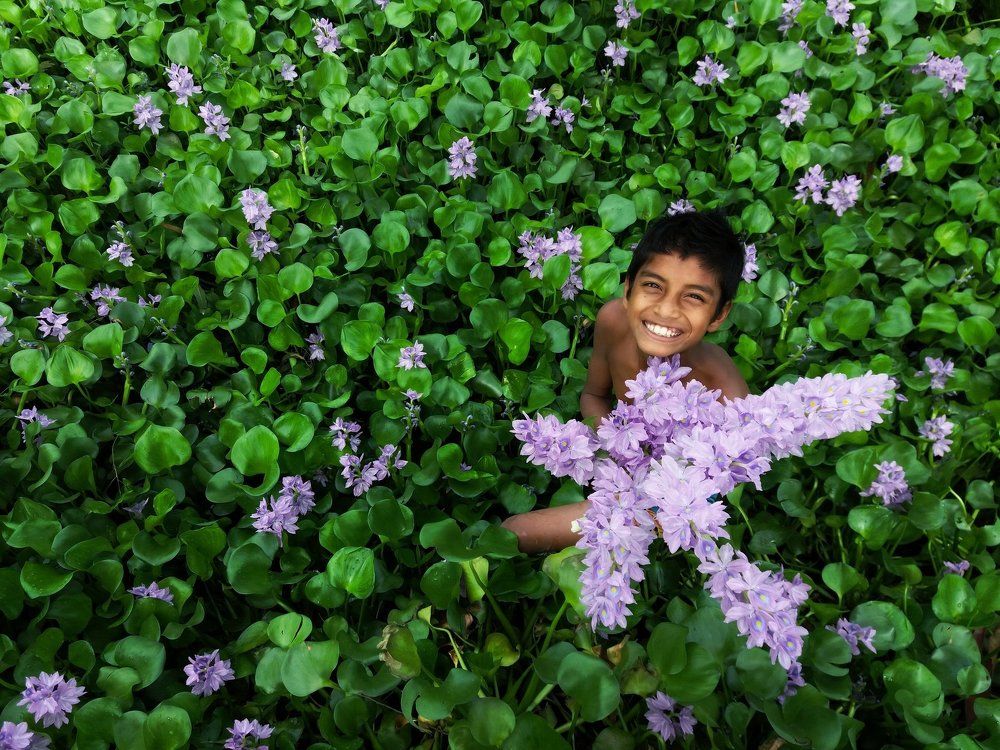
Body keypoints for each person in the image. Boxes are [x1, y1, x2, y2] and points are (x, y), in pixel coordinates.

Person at [500, 208, 751, 553]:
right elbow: (593, 396)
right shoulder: (613, 321)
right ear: (629, 288)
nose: (666, 310)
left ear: (719, 315)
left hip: (659, 503)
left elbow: (707, 493)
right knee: (509, 533)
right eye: (653, 286)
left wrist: (638, 494)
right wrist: (617, 452)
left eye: (693, 296)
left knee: (519, 532)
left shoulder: (726, 393)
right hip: (616, 460)